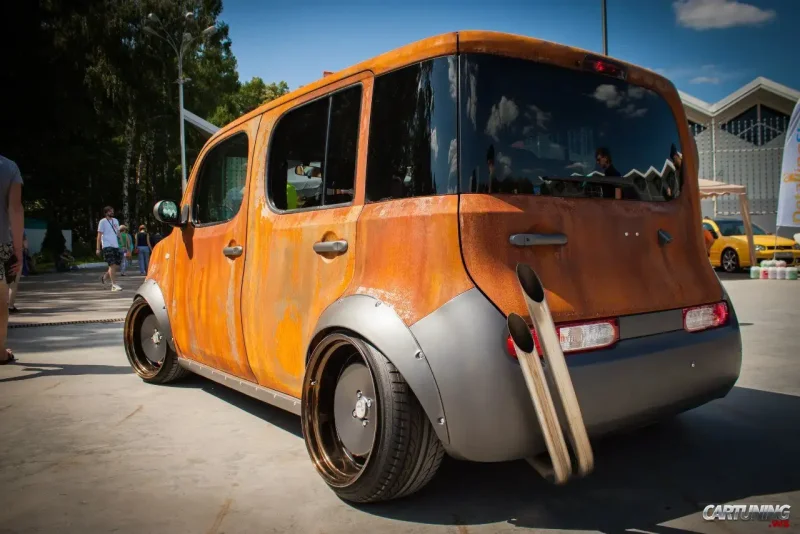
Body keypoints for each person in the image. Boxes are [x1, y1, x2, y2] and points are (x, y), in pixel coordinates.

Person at [0, 155, 24, 364]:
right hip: (1, 242)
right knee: (0, 301)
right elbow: (15, 209)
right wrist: (18, 250)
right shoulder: (8, 167)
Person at [96, 206, 122, 291]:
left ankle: (105, 277)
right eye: (110, 211)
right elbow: (99, 236)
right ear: (106, 212)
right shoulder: (102, 222)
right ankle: (114, 285)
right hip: (107, 246)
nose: (112, 212)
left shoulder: (116, 221)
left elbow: (118, 233)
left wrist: (123, 244)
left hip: (116, 245)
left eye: (112, 211)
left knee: (116, 265)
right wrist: (98, 248)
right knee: (112, 264)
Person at [7, 231, 27, 314]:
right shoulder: (19, 228)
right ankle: (10, 306)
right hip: (14, 258)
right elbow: (25, 244)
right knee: (13, 284)